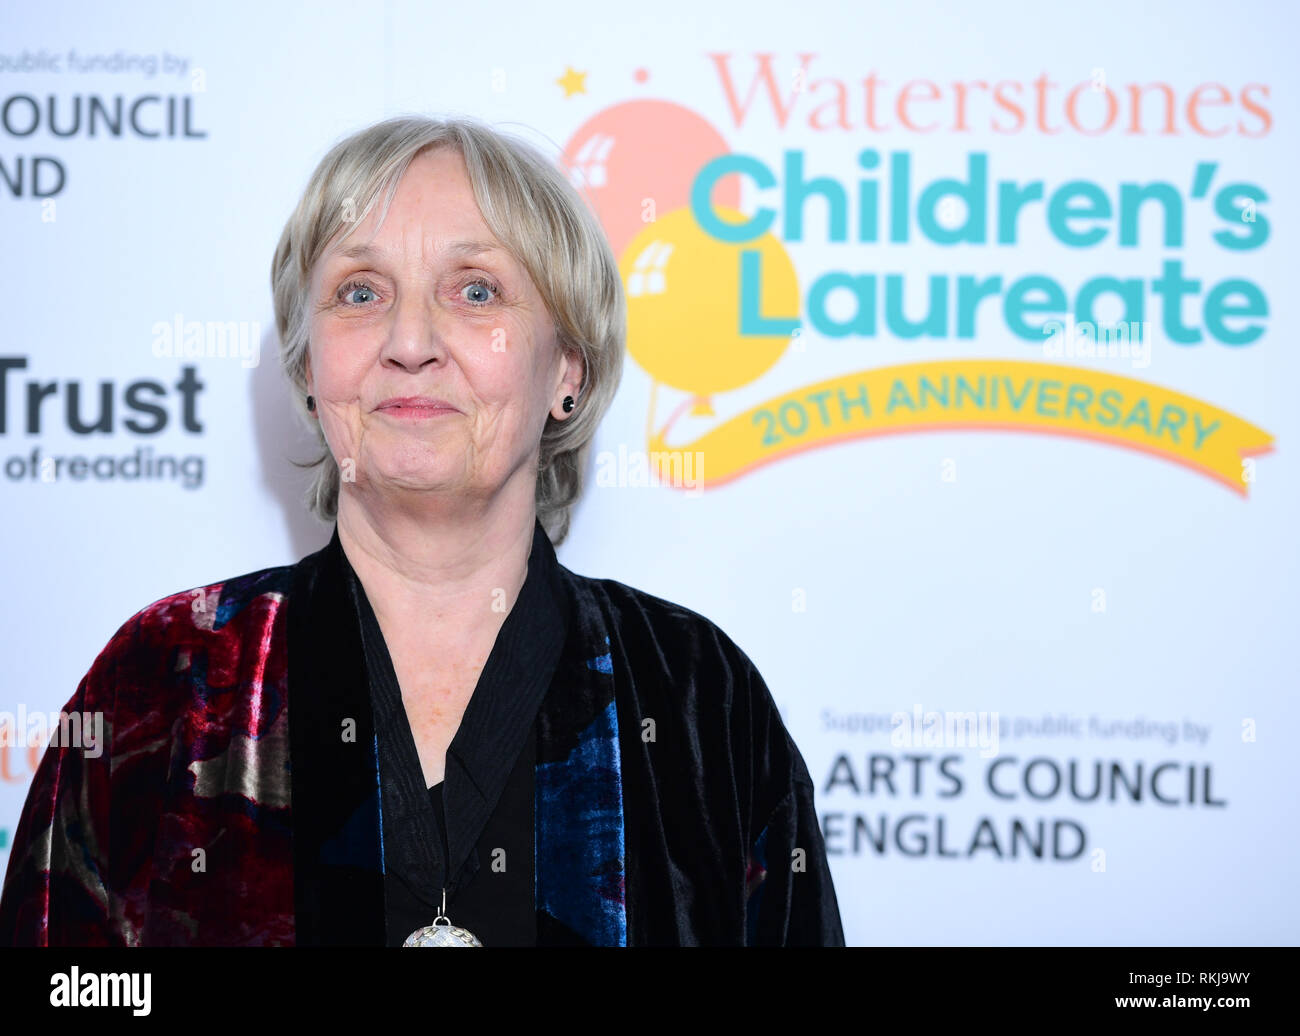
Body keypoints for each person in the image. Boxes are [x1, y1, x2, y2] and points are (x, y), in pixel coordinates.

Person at [0, 114, 845, 947]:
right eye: (359, 293)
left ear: (568, 368)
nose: (409, 342)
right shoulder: (165, 680)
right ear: (307, 367)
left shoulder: (699, 700)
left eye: (477, 290)